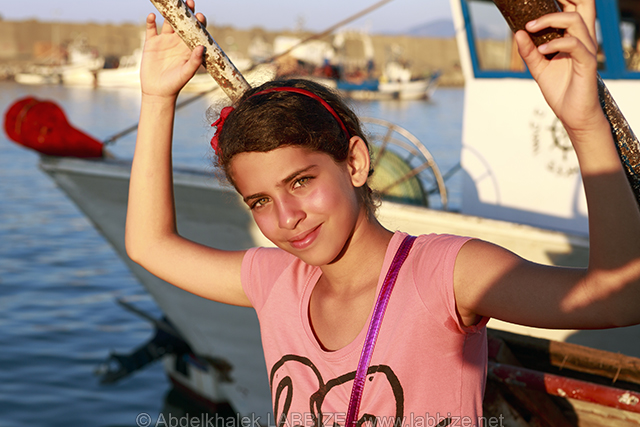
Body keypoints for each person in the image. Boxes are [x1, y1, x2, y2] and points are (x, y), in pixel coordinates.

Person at [126, 0, 640, 425]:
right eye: (259, 201)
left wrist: (584, 122)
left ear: (355, 162)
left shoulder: (445, 274)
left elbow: (619, 299)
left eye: (301, 182)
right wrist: (156, 98)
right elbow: (148, 245)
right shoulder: (276, 283)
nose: (286, 217)